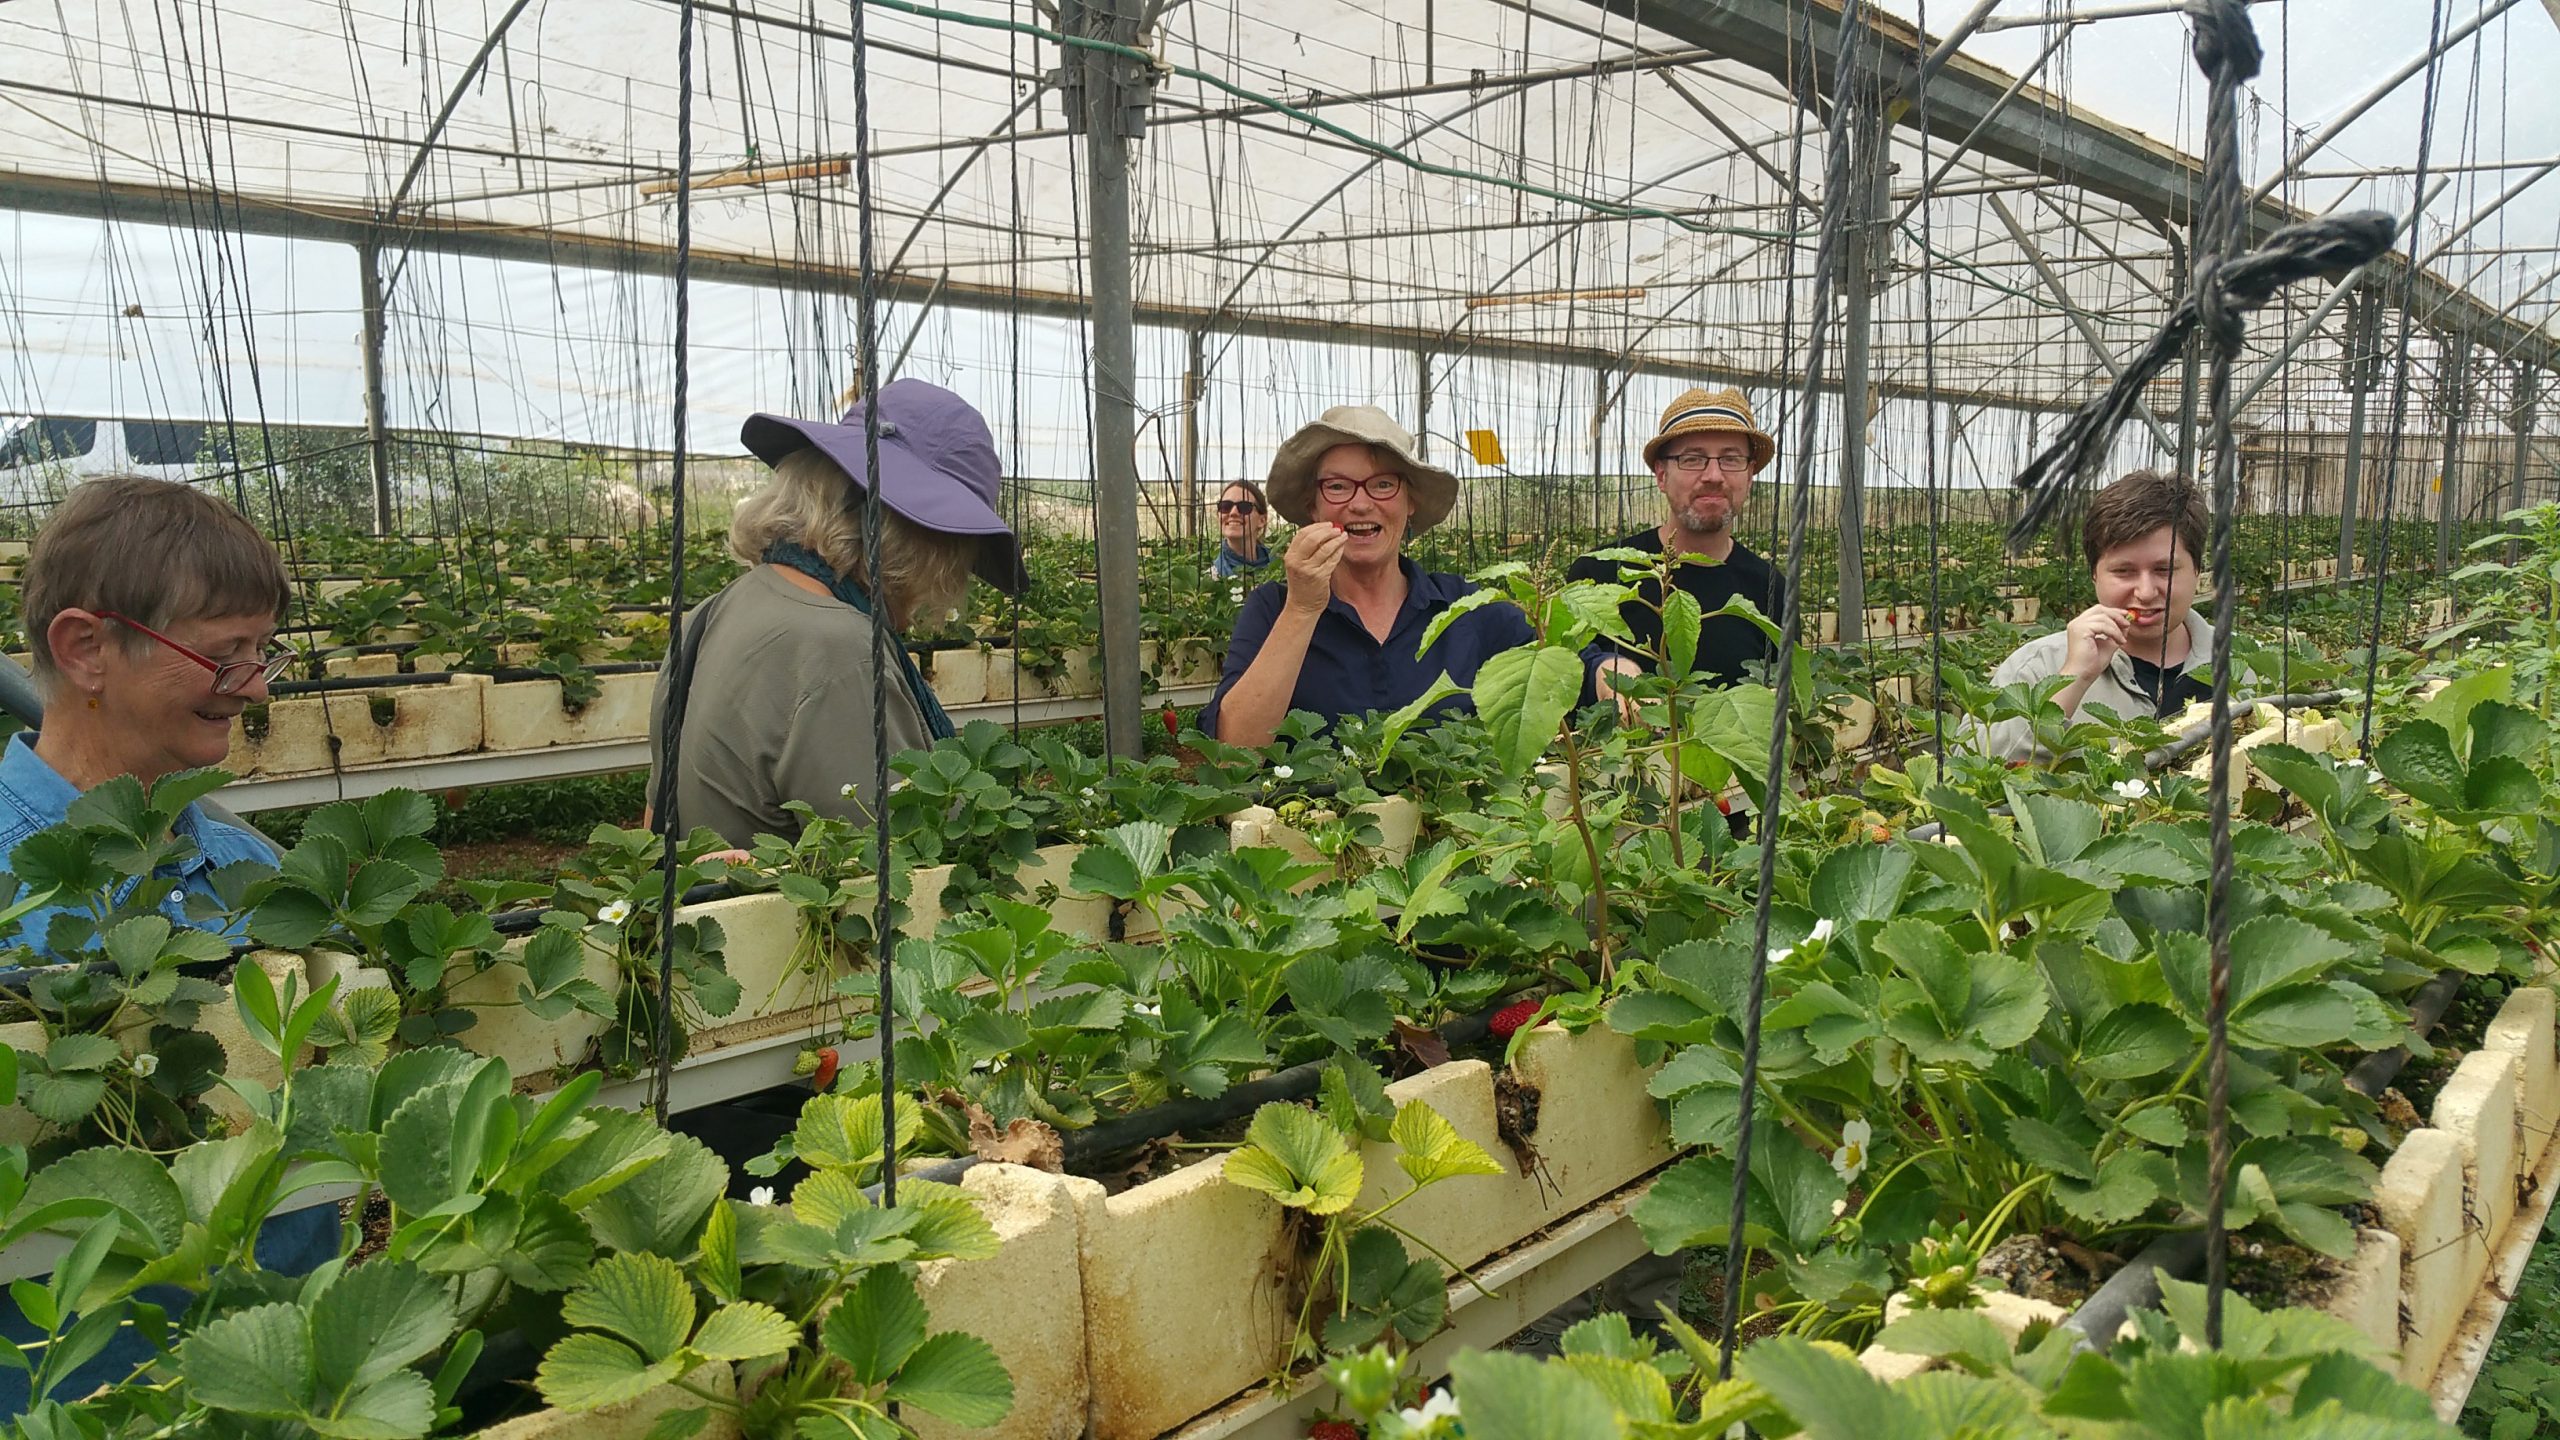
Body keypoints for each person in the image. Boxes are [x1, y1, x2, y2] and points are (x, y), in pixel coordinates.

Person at [0, 473, 332, 1416]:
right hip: (68, 1402)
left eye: (263, 652)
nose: (256, 686)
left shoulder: (251, 870)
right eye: (226, 654)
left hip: (284, 1379)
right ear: (87, 648)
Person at [650, 379, 1025, 847]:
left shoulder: (717, 610)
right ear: (916, 545)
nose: (947, 586)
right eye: (957, 555)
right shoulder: (838, 649)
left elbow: (655, 810)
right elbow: (909, 870)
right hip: (796, 922)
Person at [1199, 406, 1531, 748]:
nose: (1360, 504)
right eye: (1338, 486)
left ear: (1410, 501)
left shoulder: (1464, 609)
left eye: (1383, 484)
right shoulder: (1273, 609)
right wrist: (1302, 609)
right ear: (1313, 507)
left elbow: (1570, 672)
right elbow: (1232, 752)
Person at [1976, 468, 2238, 763]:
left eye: (2164, 570)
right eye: (2123, 571)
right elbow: (1978, 776)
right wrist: (2072, 679)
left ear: (2197, 571)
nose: (2146, 592)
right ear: (2094, 576)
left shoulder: (2240, 663)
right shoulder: (2035, 668)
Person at [1570, 387, 1783, 709]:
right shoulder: (1599, 572)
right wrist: (1601, 670)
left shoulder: (1770, 588)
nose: (1713, 475)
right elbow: (1562, 673)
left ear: (1750, 475)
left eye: (1731, 459)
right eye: (1692, 459)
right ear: (1661, 474)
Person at [1210, 479, 1274, 579]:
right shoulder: (1211, 577)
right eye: (1225, 506)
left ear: (1262, 520)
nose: (1233, 512)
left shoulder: (1282, 570)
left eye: (1244, 507)